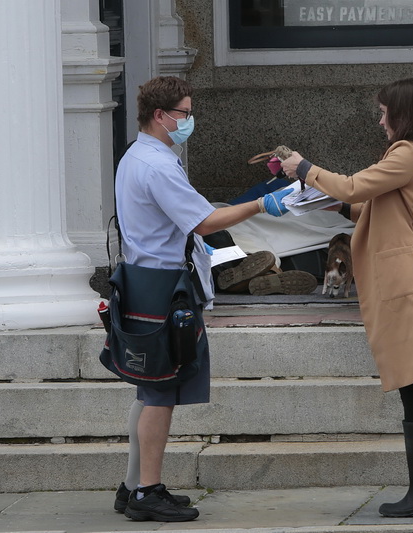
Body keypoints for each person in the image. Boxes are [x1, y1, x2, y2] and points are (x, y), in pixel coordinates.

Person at [281, 78, 413, 518]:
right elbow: (380, 205)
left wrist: (304, 168)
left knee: (411, 380)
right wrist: (332, 204)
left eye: (386, 112)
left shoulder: (405, 153)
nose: (382, 120)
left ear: (404, 114)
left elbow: (353, 186)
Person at [112, 75, 293, 522]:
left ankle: (133, 485)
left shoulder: (138, 155)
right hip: (161, 286)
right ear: (161, 115)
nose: (190, 121)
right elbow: (205, 222)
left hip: (144, 279)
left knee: (148, 387)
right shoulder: (156, 164)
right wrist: (260, 203)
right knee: (160, 392)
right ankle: (145, 493)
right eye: (185, 114)